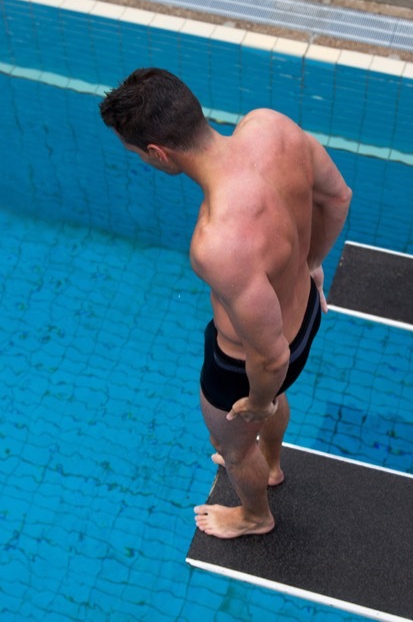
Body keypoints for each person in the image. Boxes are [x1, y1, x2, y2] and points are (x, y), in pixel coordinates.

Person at [99, 68, 352, 539]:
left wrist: (255, 403)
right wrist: (312, 261)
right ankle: (272, 465)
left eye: (137, 154)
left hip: (249, 363)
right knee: (276, 399)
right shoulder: (271, 126)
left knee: (235, 447)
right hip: (307, 313)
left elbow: (270, 355)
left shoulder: (219, 242)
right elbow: (338, 197)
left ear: (158, 153)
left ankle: (256, 515)